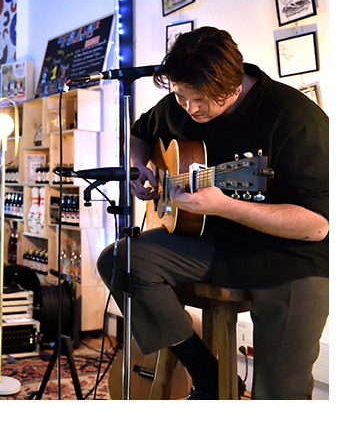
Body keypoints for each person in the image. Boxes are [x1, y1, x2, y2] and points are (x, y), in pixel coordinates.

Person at [96, 27, 328, 400]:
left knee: (279, 395)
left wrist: (226, 206)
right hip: (213, 239)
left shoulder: (296, 120)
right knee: (121, 261)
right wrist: (140, 167)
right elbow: (139, 135)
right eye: (181, 97)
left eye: (200, 100)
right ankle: (208, 376)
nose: (190, 109)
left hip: (291, 257)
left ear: (234, 86)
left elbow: (316, 227)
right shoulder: (182, 98)